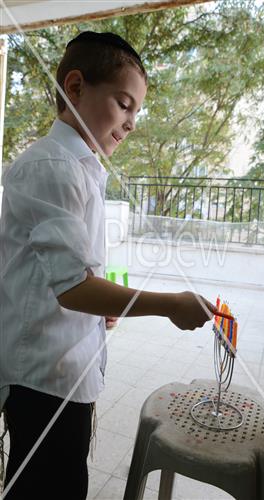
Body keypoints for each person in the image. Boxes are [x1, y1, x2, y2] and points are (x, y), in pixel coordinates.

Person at [0, 31, 217, 499]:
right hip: (43, 379)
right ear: (75, 87)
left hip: (65, 372)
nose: (132, 122)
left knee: (61, 481)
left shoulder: (79, 169)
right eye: (124, 104)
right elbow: (73, 288)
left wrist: (101, 305)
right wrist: (167, 304)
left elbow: (69, 277)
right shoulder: (51, 166)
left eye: (136, 111)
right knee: (47, 487)